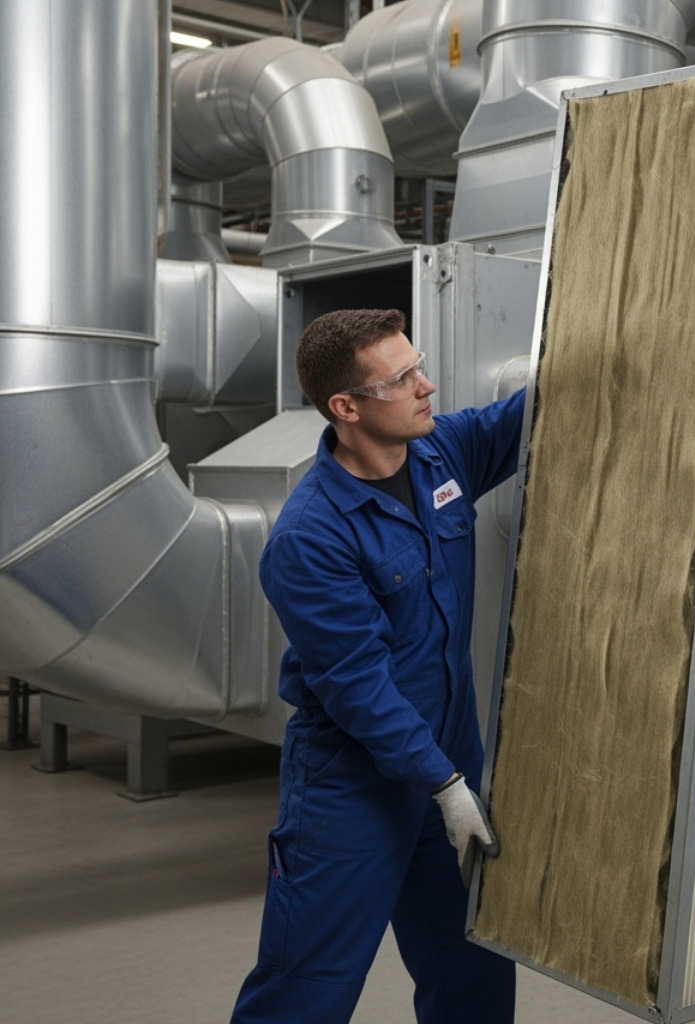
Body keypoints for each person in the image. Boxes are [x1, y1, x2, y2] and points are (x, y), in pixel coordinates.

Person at [232, 308, 522, 1023]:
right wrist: (445, 785)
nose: (427, 386)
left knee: (474, 969)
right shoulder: (309, 538)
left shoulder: (440, 455)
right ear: (347, 406)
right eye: (403, 378)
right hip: (351, 789)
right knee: (307, 987)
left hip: (449, 757)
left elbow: (529, 415)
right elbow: (360, 687)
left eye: (418, 365)